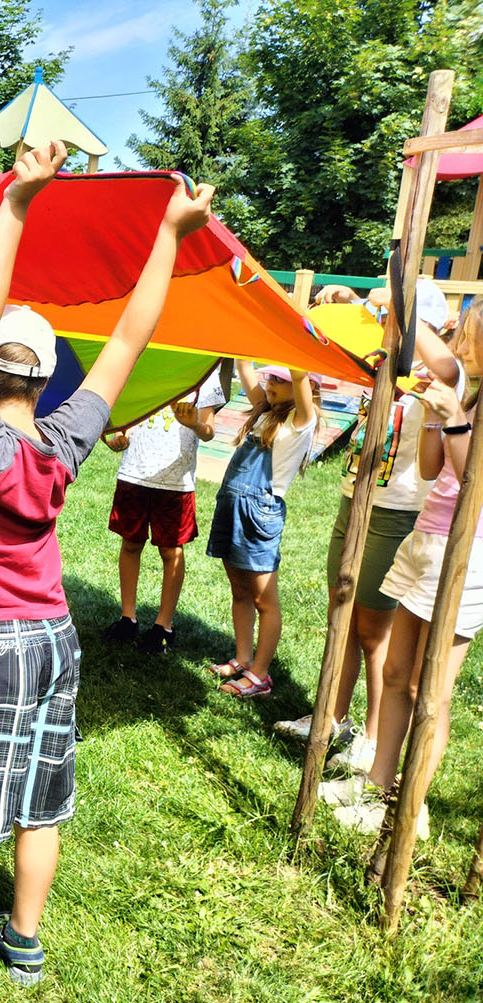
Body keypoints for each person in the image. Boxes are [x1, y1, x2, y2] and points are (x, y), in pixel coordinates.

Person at [0, 143, 214, 1003]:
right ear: (47, 373)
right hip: (54, 641)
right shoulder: (63, 444)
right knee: (40, 801)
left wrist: (19, 202)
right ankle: (23, 943)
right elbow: (130, 339)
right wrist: (171, 235)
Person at [274, 281, 459, 772]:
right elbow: (345, 326)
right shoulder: (382, 361)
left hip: (396, 513)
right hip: (353, 498)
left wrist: (396, 305)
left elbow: (443, 371)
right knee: (342, 614)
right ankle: (331, 717)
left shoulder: (440, 377)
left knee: (375, 633)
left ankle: (373, 739)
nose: (386, 327)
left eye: (396, 321)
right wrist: (349, 303)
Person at [320, 298, 483, 837]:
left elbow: (476, 488)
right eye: (461, 332)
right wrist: (439, 418)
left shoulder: (469, 403)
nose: (461, 344)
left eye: (471, 335)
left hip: (465, 554)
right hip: (425, 541)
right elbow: (434, 468)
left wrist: (453, 417)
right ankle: (376, 785)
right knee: (395, 674)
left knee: (430, 691)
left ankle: (407, 805)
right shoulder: (470, 395)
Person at [206, 361, 320, 699]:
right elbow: (244, 366)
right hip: (232, 504)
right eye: (270, 377)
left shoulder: (301, 419)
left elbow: (300, 374)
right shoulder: (264, 410)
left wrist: (297, 357)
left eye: (279, 380)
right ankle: (243, 659)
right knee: (239, 589)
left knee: (263, 599)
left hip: (258, 512)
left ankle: (260, 674)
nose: (270, 384)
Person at [101, 373, 225, 653]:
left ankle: (164, 626)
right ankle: (128, 618)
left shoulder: (204, 373)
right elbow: (118, 417)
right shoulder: (145, 364)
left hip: (175, 481)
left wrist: (194, 423)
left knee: (171, 551)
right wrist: (114, 436)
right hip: (135, 473)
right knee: (130, 543)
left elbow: (208, 430)